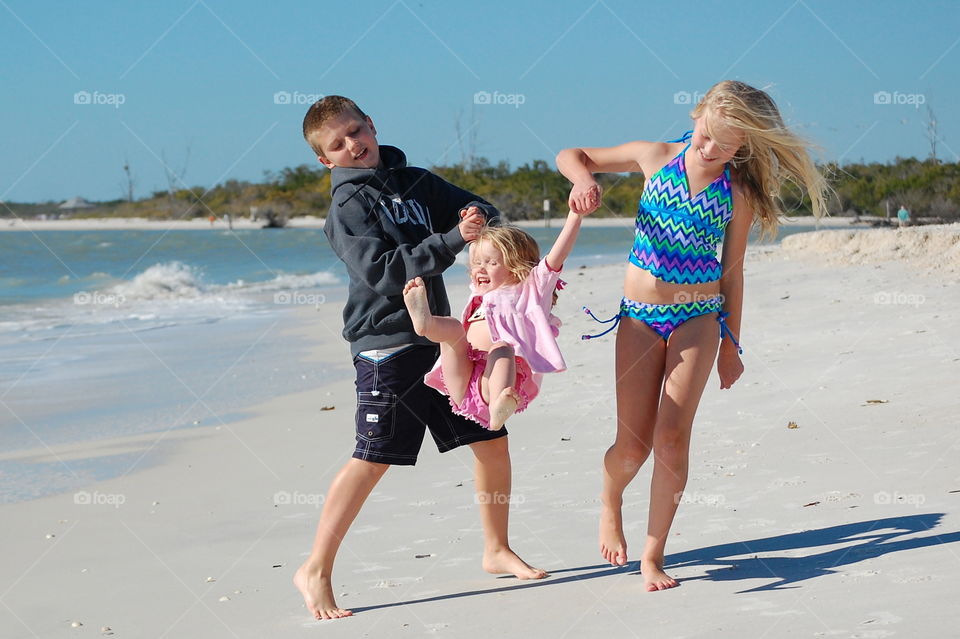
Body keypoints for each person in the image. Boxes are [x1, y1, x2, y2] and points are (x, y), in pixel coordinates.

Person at [556, 80, 828, 591]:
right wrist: (579, 180)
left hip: (699, 318)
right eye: (706, 136)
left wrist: (732, 344)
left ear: (743, 147)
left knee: (673, 439)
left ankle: (653, 555)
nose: (711, 149)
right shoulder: (653, 157)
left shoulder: (738, 192)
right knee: (632, 446)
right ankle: (610, 500)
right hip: (638, 318)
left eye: (725, 145)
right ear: (696, 114)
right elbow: (572, 154)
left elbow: (733, 274)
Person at [294, 96, 547, 621]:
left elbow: (483, 214)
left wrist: (489, 245)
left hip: (439, 340)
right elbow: (386, 273)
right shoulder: (347, 207)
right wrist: (455, 239)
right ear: (325, 160)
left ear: (372, 124)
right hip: (386, 343)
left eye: (356, 130)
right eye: (337, 144)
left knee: (490, 438)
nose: (353, 145)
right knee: (375, 455)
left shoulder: (415, 181)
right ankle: (315, 568)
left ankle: (495, 549)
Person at [403, 211, 583, 431]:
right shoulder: (479, 294)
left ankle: (499, 407)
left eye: (491, 262)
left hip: (493, 384)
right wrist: (470, 220)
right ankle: (425, 323)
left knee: (503, 347)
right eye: (476, 263)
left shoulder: (531, 289)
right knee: (453, 329)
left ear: (517, 264)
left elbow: (556, 257)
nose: (480, 268)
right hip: (463, 374)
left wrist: (575, 215)